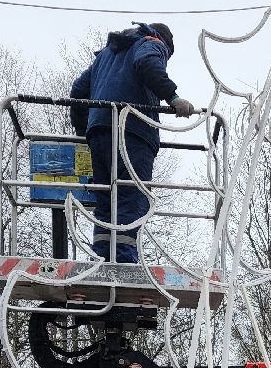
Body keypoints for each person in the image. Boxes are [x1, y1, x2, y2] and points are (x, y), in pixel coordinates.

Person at [69, 22, 196, 264]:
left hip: (98, 133)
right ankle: (124, 261)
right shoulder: (151, 44)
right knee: (131, 196)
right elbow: (146, 64)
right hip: (132, 131)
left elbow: (78, 91)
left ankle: (103, 259)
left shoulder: (105, 56)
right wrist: (173, 97)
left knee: (106, 200)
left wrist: (82, 129)